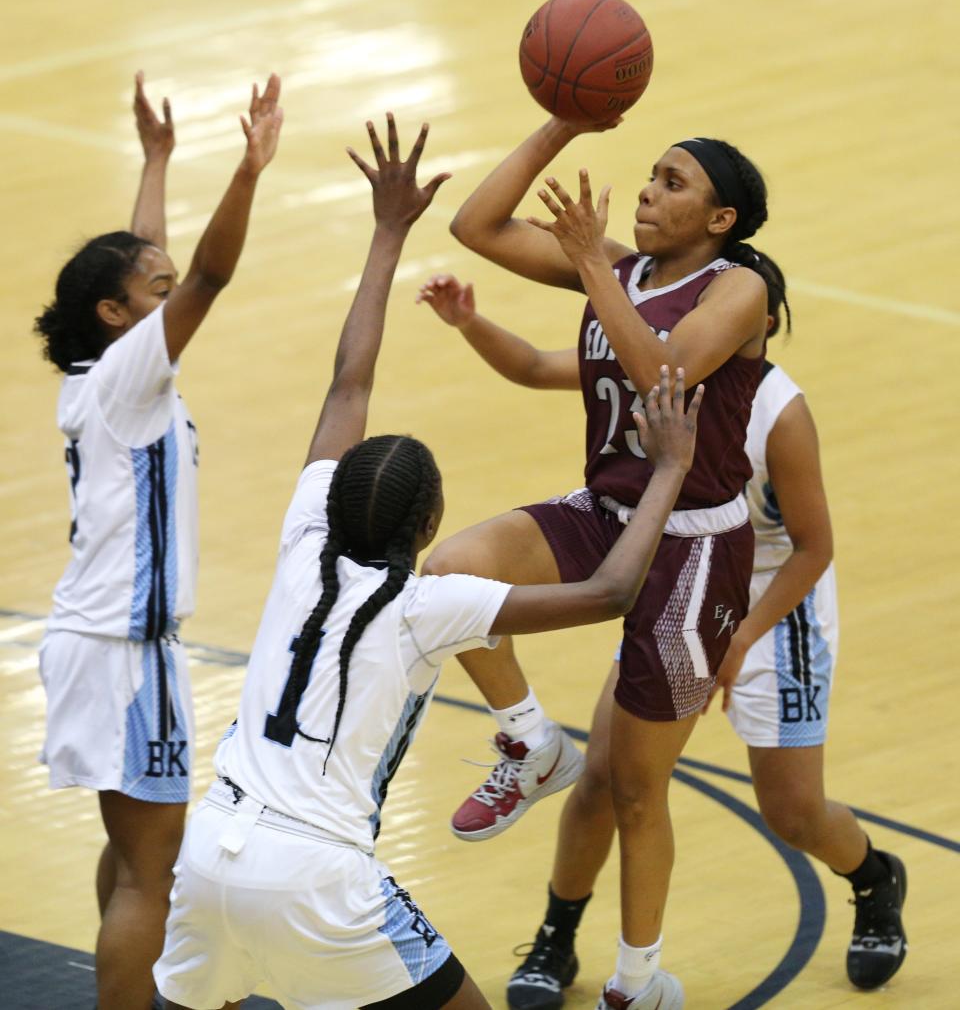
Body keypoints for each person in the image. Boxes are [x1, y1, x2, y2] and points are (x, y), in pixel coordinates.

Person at [152, 115, 705, 1010]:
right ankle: (531, 743)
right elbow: (611, 590)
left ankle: (531, 743)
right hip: (318, 874)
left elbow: (348, 384)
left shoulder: (303, 543)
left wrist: (385, 232)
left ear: (330, 501)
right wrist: (674, 465)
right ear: (428, 527)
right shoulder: (426, 602)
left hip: (212, 843)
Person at [417, 278, 908, 1006]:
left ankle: (873, 876)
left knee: (793, 811)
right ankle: (558, 937)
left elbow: (812, 547)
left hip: (773, 602)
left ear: (753, 325)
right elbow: (534, 366)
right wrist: (470, 322)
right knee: (606, 778)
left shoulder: (780, 412)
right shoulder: (660, 371)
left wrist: (740, 636)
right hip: (682, 574)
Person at [417, 118, 787, 1009]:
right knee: (447, 577)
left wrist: (590, 264)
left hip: (696, 544)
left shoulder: (742, 287)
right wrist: (564, 119)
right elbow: (476, 226)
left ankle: (637, 979)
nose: (651, 190)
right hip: (607, 511)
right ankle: (531, 741)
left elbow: (666, 369)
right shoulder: (621, 269)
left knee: (633, 785)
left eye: (673, 181)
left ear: (721, 217)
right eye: (651, 176)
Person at [33, 72, 283, 1010]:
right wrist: (249, 172)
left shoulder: (100, 370)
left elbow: (159, 269)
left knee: (130, 855)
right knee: (155, 870)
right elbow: (208, 274)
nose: (173, 294)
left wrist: (157, 159)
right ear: (118, 314)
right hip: (128, 657)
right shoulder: (133, 378)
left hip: (94, 641)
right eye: (155, 289)